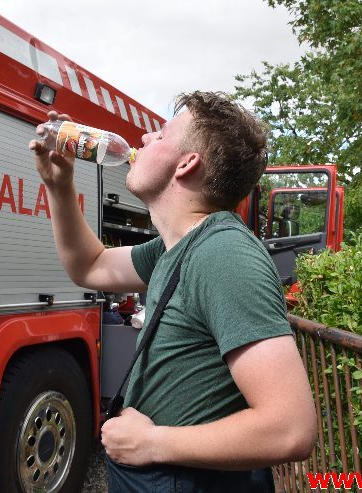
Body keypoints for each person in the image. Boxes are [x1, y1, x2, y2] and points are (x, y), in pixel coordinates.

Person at [30, 91, 316, 492]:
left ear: (187, 164)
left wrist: (152, 443)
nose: (144, 139)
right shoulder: (176, 246)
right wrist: (60, 187)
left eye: (161, 134)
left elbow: (291, 428)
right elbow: (89, 266)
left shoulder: (225, 254)